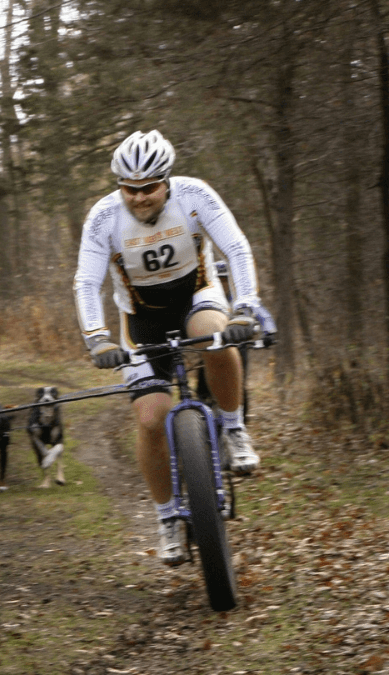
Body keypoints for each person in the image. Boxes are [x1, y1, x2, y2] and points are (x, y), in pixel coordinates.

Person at [72, 130, 276, 566]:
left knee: (215, 335)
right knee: (150, 418)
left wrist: (245, 308)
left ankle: (235, 428)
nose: (140, 198)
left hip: (196, 295)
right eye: (131, 189)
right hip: (140, 318)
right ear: (119, 187)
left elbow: (236, 247)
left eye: (149, 188)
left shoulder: (195, 195)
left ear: (167, 181)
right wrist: (96, 337)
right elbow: (87, 281)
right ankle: (166, 518)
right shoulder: (104, 218)